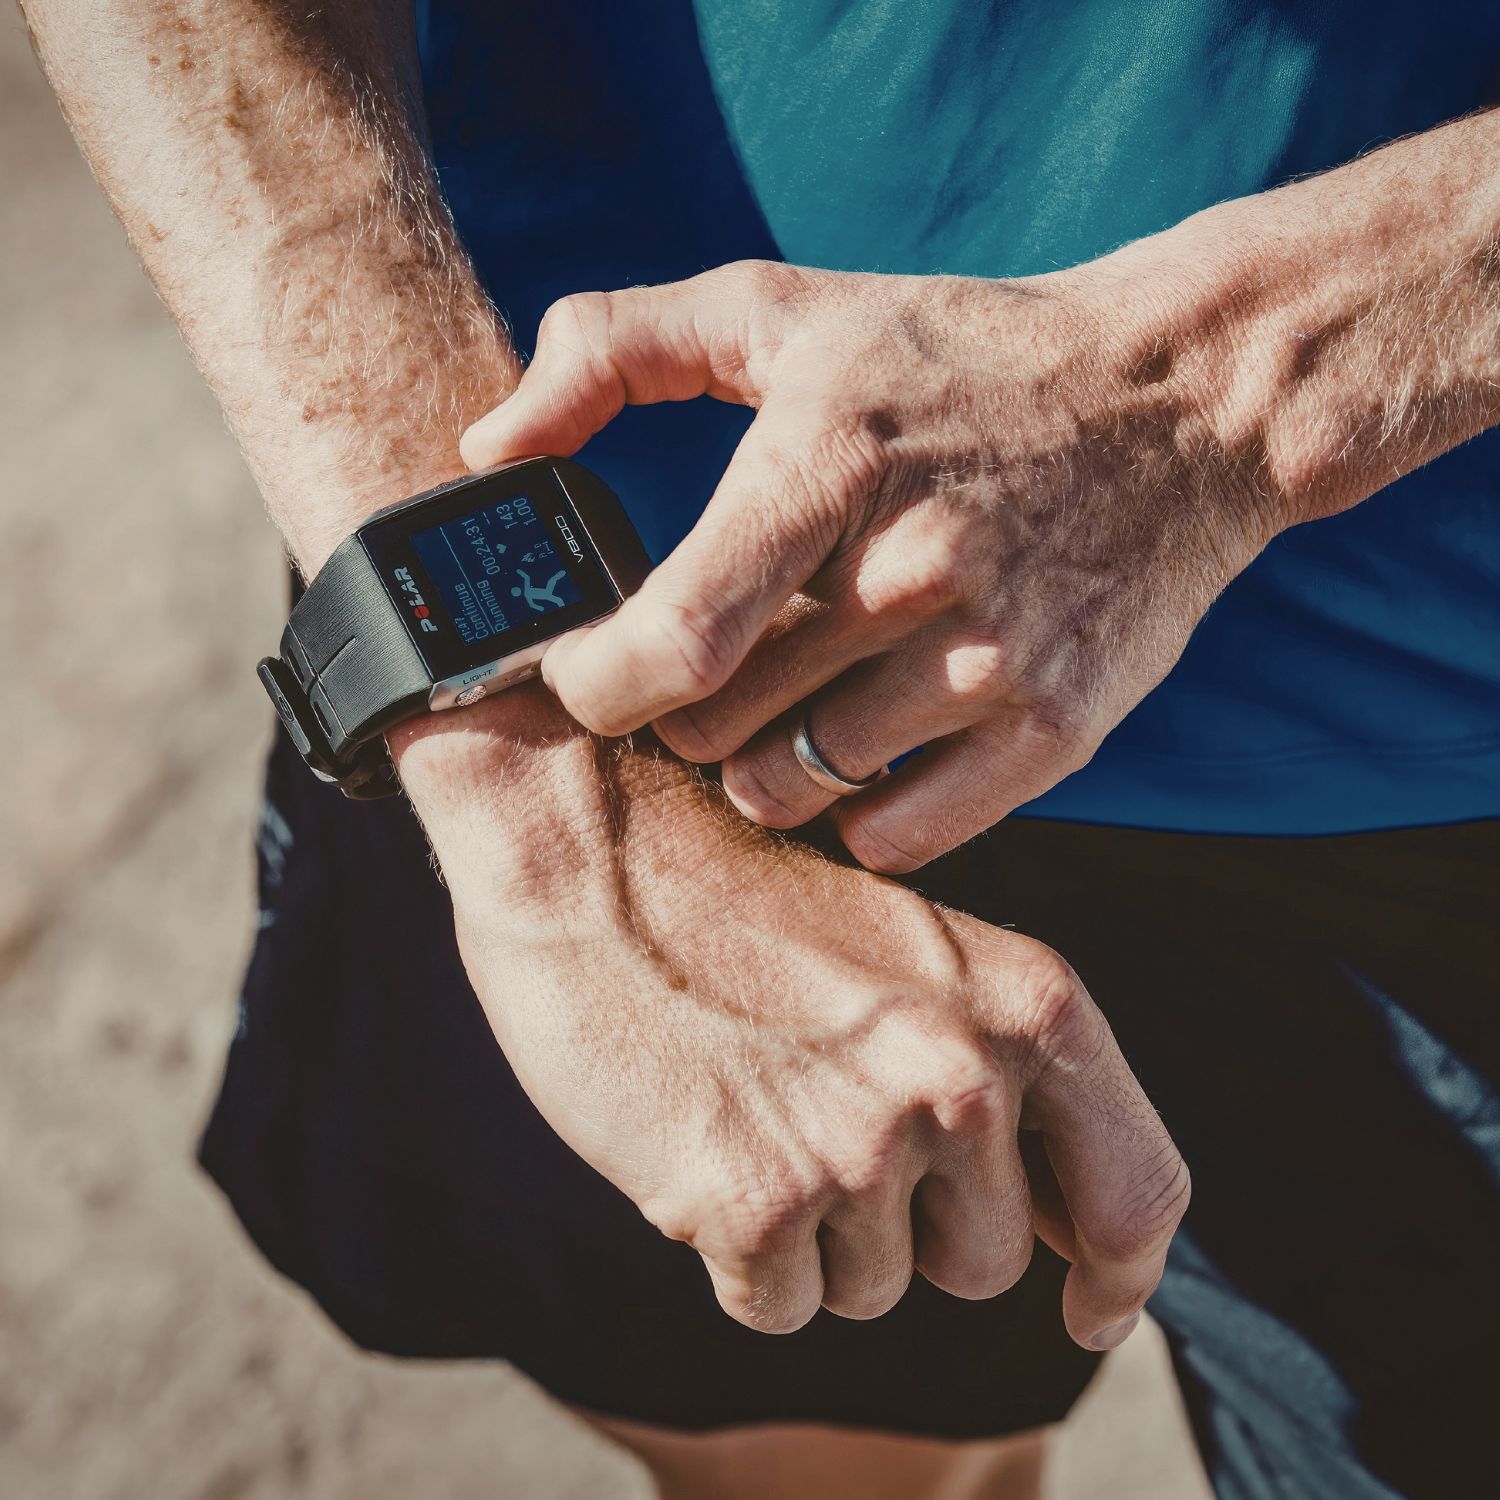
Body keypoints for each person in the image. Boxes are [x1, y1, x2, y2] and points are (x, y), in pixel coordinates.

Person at [23, 2, 1499, 1497]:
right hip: (545, 535)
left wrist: (1225, 387)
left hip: (1434, 744)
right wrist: (554, 815)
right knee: (798, 1454)